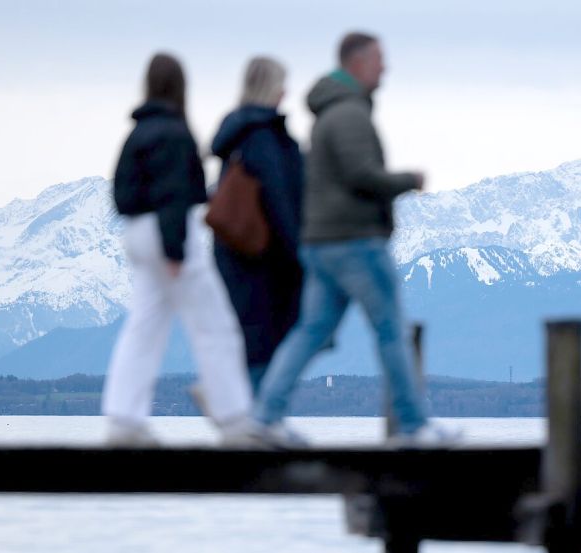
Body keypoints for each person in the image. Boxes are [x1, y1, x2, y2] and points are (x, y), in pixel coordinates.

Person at [249, 32, 458, 447]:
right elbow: (361, 174)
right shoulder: (349, 115)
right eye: (379, 58)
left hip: (322, 244)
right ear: (356, 62)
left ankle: (266, 416)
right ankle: (414, 427)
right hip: (355, 241)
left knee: (311, 330)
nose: (385, 67)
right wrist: (409, 180)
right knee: (391, 331)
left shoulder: (332, 113)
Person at [102, 52, 255, 447]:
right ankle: (234, 419)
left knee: (144, 326)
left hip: (137, 232)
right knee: (214, 325)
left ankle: (123, 421)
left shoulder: (135, 134)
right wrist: (174, 248)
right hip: (169, 233)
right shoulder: (176, 133)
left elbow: (123, 194)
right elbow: (172, 195)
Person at [211, 56, 305, 393]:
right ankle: (260, 423)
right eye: (282, 82)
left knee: (250, 342)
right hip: (266, 254)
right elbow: (277, 196)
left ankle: (253, 420)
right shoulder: (262, 135)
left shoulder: (234, 133)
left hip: (233, 249)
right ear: (271, 87)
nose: (286, 91)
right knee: (266, 345)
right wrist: (297, 249)